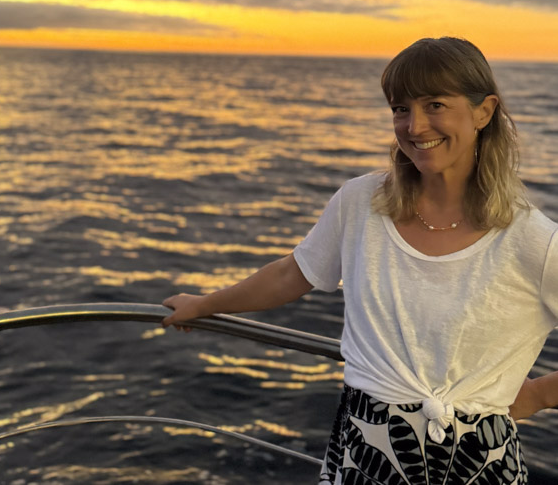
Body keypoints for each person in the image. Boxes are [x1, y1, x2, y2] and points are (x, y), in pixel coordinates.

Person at [162, 37, 558, 483]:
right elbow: (293, 274)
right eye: (400, 109)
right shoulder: (361, 203)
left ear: (484, 111)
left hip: (477, 466)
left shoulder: (533, 240)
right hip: (364, 451)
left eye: (435, 105)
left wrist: (540, 395)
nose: (415, 125)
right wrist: (205, 303)